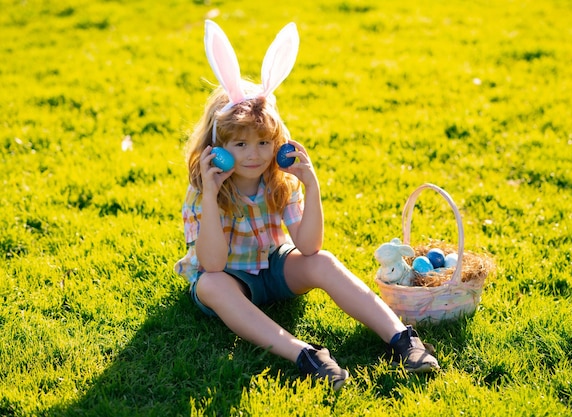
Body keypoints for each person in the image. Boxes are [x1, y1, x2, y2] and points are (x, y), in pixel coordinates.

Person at [174, 20, 439, 391]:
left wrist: (310, 185)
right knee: (211, 286)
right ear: (217, 149)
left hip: (273, 266)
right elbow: (213, 264)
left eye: (264, 143)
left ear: (278, 142)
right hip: (231, 278)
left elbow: (309, 247)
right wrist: (213, 199)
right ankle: (306, 355)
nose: (255, 155)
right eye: (241, 145)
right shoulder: (204, 190)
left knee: (324, 261)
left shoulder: (279, 180)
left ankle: (403, 340)